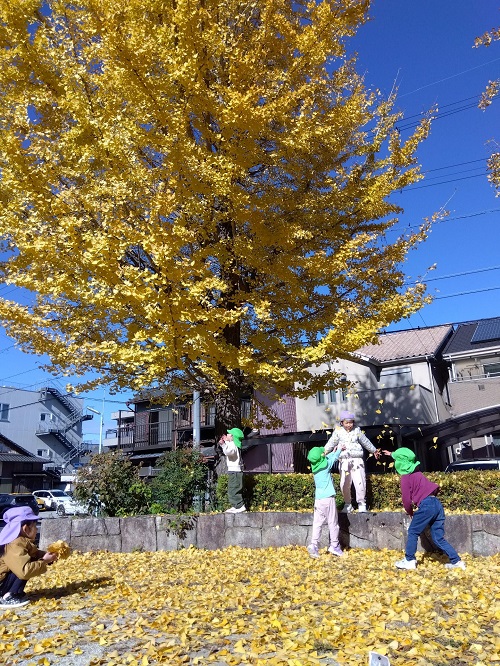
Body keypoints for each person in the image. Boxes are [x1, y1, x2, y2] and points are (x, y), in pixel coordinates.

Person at [382, 447, 465, 570]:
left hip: (426, 505)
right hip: (436, 504)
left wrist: (410, 511)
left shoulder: (405, 477)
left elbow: (406, 500)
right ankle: (457, 561)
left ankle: (409, 560)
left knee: (413, 531)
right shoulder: (418, 473)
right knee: (438, 537)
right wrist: (391, 453)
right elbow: (405, 456)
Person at [0, 506, 58, 608]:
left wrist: (46, 556)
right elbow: (24, 571)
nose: (36, 529)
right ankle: (7, 596)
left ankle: (15, 592)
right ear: (26, 528)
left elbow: (34, 553)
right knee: (25, 565)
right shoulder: (14, 544)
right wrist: (44, 561)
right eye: (35, 526)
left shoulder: (20, 540)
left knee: (30, 559)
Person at [324, 410, 381, 513]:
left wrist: (374, 450)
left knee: (360, 481)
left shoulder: (357, 431)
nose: (349, 425)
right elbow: (331, 443)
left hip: (357, 460)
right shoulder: (338, 432)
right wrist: (323, 452)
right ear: (342, 422)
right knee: (344, 483)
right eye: (347, 422)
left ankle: (361, 504)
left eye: (351, 422)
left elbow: (365, 441)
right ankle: (348, 504)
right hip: (344, 460)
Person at [306, 445, 344, 558]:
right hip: (328, 498)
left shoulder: (315, 467)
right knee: (333, 523)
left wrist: (333, 451)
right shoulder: (326, 465)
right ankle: (334, 545)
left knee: (317, 523)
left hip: (318, 500)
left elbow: (326, 458)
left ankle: (314, 544)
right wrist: (339, 450)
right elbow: (332, 459)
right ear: (322, 456)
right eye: (323, 453)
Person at [218, 427, 246, 513]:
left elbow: (229, 452)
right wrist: (225, 442)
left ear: (233, 436)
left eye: (229, 434)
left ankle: (240, 506)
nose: (227, 435)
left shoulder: (233, 445)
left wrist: (223, 444)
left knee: (234, 489)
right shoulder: (232, 444)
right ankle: (236, 506)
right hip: (234, 471)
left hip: (235, 471)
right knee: (232, 489)